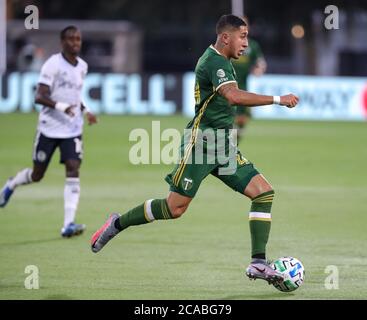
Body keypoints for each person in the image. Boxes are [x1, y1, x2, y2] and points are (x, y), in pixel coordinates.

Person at [90, 15, 298, 284]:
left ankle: (258, 263)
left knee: (263, 193)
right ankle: (117, 223)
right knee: (175, 208)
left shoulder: (224, 62)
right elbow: (234, 96)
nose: (246, 43)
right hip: (200, 145)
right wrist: (278, 99)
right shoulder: (214, 62)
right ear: (226, 37)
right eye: (242, 36)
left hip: (222, 146)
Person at [0, 26, 98, 238]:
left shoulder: (82, 66)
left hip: (72, 129)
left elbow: (75, 95)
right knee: (37, 175)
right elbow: (39, 96)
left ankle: (68, 224)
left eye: (78, 39)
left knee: (73, 168)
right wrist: (62, 107)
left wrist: (86, 110)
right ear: (62, 42)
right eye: (71, 39)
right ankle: (12, 183)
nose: (75, 42)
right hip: (49, 128)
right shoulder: (52, 65)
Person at [231, 16, 267, 142]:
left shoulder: (252, 45)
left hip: (243, 87)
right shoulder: (228, 43)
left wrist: (260, 69)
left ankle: (233, 142)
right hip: (226, 86)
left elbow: (261, 62)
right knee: (225, 118)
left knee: (242, 119)